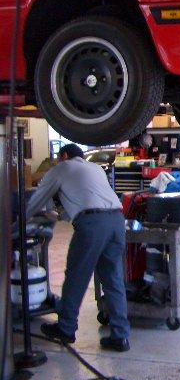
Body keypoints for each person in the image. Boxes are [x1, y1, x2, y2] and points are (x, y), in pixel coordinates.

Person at [26, 144, 130, 352]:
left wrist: (19, 219)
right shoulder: (95, 169)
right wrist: (61, 215)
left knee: (76, 276)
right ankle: (120, 336)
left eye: (58, 158)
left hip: (92, 225)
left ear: (64, 156)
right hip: (117, 221)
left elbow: (37, 201)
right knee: (113, 279)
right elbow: (87, 199)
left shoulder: (61, 168)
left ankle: (66, 328)